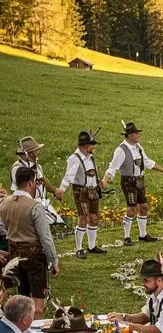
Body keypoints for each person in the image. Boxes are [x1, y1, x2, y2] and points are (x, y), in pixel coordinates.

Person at [0, 164, 59, 315]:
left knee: (22, 299)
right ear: (31, 183)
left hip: (14, 254)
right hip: (34, 257)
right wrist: (53, 261)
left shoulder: (5, 203)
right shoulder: (35, 206)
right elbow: (45, 238)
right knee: (37, 305)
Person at [102, 121, 163, 246]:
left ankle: (143, 234)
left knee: (144, 206)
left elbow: (148, 162)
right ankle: (127, 237)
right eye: (135, 133)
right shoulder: (121, 150)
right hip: (128, 181)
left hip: (139, 180)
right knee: (131, 208)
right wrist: (105, 180)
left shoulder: (138, 147)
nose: (138, 135)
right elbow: (113, 167)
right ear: (129, 135)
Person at [57, 129, 106, 257]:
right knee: (83, 218)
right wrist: (62, 189)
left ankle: (92, 246)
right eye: (92, 145)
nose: (94, 147)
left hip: (93, 191)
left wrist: (100, 182)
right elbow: (69, 176)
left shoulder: (90, 158)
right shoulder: (75, 159)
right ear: (86, 146)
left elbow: (93, 174)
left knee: (94, 217)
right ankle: (78, 248)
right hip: (81, 192)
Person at [12, 136, 63, 227]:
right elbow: (20, 192)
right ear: (29, 153)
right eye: (36, 151)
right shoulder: (17, 169)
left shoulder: (37, 166)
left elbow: (42, 179)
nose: (38, 153)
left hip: (41, 204)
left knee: (58, 224)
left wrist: (54, 190)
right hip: (28, 208)